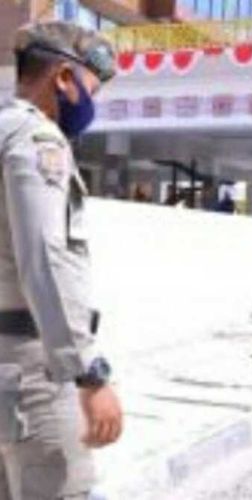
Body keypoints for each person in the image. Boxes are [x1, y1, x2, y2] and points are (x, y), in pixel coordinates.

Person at [0, 21, 124, 499]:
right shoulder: (37, 140)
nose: (91, 106)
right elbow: (45, 262)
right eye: (91, 90)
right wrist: (88, 375)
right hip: (31, 370)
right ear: (64, 78)